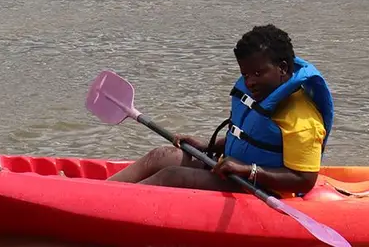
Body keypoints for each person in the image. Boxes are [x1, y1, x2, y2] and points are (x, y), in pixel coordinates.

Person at [106, 24, 335, 195]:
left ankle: (106, 206)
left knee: (173, 176)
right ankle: (100, 192)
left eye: (258, 73)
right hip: (234, 171)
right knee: (161, 156)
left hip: (262, 188)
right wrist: (208, 146)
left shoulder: (302, 120)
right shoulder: (262, 94)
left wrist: (249, 170)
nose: (250, 81)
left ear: (283, 68)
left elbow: (304, 180)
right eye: (246, 74)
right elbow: (252, 138)